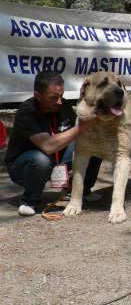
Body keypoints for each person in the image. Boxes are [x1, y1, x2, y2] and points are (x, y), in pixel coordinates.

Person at [4, 71, 102, 216]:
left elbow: (78, 136)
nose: (59, 102)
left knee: (95, 146)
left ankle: (79, 191)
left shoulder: (63, 106)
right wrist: (82, 127)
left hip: (56, 159)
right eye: (53, 98)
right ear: (38, 95)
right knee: (41, 159)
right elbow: (48, 146)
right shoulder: (27, 112)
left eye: (61, 96)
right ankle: (30, 200)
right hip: (24, 166)